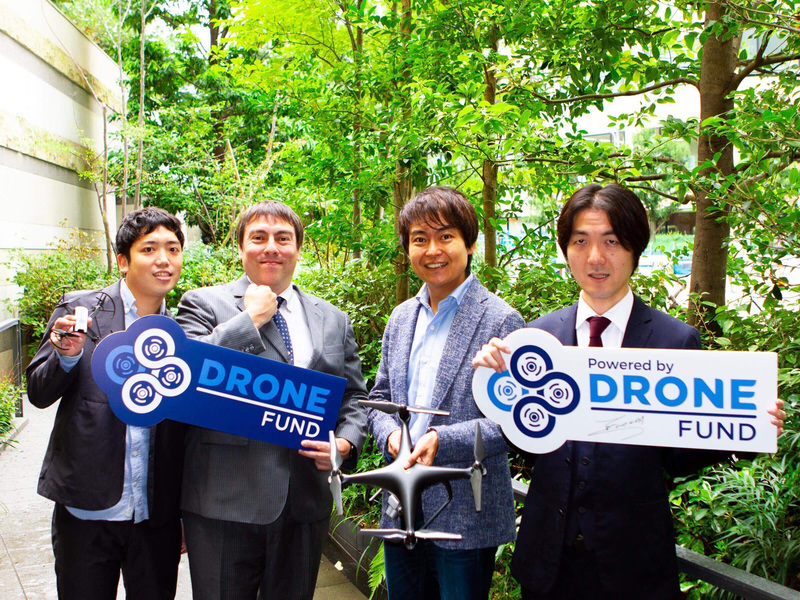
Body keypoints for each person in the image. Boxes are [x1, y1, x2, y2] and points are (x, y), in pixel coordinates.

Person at [472, 183, 786, 600]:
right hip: (547, 565)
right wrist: (496, 384)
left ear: (635, 246)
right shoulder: (537, 338)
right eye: (580, 241)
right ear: (565, 249)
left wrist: (747, 428)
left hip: (635, 567)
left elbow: (679, 456)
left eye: (612, 241)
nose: (595, 257)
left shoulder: (675, 341)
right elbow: (526, 442)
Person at [175, 200, 368, 600]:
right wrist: (250, 321)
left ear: (298, 248)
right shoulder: (203, 303)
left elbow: (354, 397)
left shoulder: (333, 318)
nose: (271, 248)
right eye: (258, 237)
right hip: (223, 505)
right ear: (240, 247)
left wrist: (345, 442)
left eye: (283, 238)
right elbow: (184, 376)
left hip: (303, 505)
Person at [366, 186, 523, 600]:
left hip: (465, 511)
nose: (433, 250)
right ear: (407, 249)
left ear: (469, 244)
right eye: (420, 239)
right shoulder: (401, 318)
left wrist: (442, 439)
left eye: (446, 236)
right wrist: (391, 434)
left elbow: (514, 421)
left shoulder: (501, 320)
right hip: (401, 505)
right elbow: (379, 397)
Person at [26, 207, 186, 600]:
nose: (164, 260)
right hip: (87, 510)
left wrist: (184, 511)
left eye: (173, 249)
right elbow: (38, 392)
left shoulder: (183, 331)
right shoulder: (82, 310)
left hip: (155, 517)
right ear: (123, 261)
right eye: (149, 249)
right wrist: (65, 356)